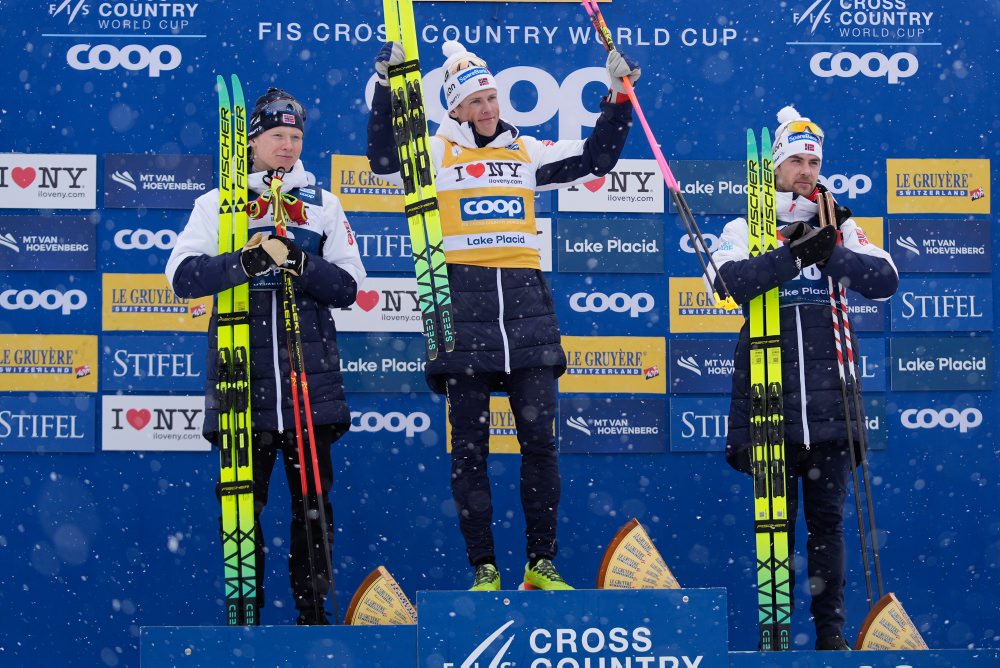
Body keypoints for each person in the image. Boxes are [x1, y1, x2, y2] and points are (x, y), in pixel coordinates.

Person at [367, 40, 638, 591]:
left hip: (527, 319)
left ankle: (541, 563)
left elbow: (596, 159)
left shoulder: (525, 153)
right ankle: (484, 568)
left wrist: (618, 97)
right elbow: (383, 161)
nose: (489, 107)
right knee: (470, 450)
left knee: (541, 446)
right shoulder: (436, 153)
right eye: (476, 100)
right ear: (455, 108)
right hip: (461, 318)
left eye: (492, 96)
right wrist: (386, 89)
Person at [166, 88, 366, 625]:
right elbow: (183, 277)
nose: (287, 145)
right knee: (241, 512)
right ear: (252, 140)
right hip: (241, 388)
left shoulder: (322, 203)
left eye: (295, 137)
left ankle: (312, 612)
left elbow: (350, 286)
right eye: (277, 135)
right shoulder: (217, 203)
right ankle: (244, 614)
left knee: (313, 510)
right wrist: (247, 261)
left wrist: (299, 261)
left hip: (309, 386)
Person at [707, 106, 898, 650]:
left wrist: (831, 250)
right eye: (795, 160)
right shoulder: (746, 224)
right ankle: (775, 636)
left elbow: (884, 279)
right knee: (774, 530)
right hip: (770, 399)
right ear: (775, 165)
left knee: (827, 526)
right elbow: (727, 283)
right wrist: (793, 258)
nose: (806, 170)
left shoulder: (839, 221)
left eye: (813, 161)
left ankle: (830, 636)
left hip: (831, 403)